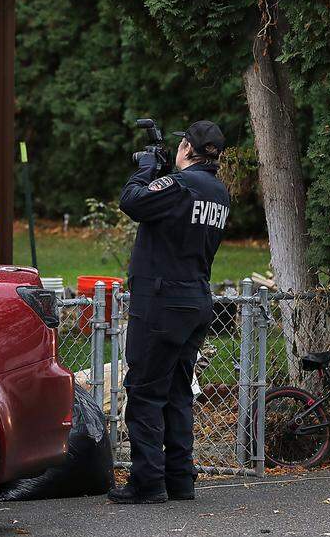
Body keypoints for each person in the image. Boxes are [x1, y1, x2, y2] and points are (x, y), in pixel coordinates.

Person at [108, 120, 230, 504]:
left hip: (162, 301)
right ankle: (180, 479)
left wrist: (146, 168)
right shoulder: (219, 193)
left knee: (144, 391)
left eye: (181, 145)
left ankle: (148, 482)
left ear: (188, 151)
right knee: (178, 392)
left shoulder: (180, 186)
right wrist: (162, 176)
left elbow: (132, 201)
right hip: (195, 299)